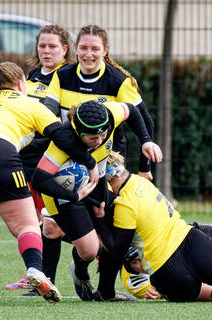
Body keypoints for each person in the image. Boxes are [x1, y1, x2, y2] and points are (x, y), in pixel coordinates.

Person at [0, 56, 98, 304]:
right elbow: (62, 136)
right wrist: (90, 162)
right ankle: (34, 269)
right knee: (27, 224)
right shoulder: (29, 102)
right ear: (22, 83)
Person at [34, 23, 158, 298]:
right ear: (75, 49)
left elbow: (142, 118)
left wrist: (144, 166)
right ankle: (46, 282)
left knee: (116, 222)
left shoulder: (117, 81)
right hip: (68, 156)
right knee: (55, 227)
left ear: (105, 51)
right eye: (84, 48)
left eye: (95, 49)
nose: (88, 54)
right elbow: (48, 115)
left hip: (109, 158)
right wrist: (79, 156)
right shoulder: (62, 75)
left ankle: (109, 286)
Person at [93, 151, 212, 302]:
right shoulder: (142, 182)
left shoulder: (123, 204)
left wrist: (100, 221)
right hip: (194, 244)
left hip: (167, 273)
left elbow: (116, 249)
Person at [32, 100, 162, 301]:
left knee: (119, 229)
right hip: (63, 197)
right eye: (93, 137)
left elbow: (133, 110)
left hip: (96, 182)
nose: (100, 140)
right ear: (80, 133)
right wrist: (75, 195)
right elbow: (39, 179)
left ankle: (106, 293)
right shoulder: (63, 142)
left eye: (104, 134)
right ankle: (80, 270)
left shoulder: (110, 114)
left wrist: (146, 140)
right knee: (90, 251)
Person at [5, 25, 77, 294]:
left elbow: (60, 127)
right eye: (42, 46)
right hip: (24, 158)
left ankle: (103, 246)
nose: (46, 51)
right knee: (35, 220)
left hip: (48, 161)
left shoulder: (67, 79)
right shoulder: (33, 75)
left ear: (65, 50)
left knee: (50, 223)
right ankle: (39, 278)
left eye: (53, 47)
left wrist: (30, 143)